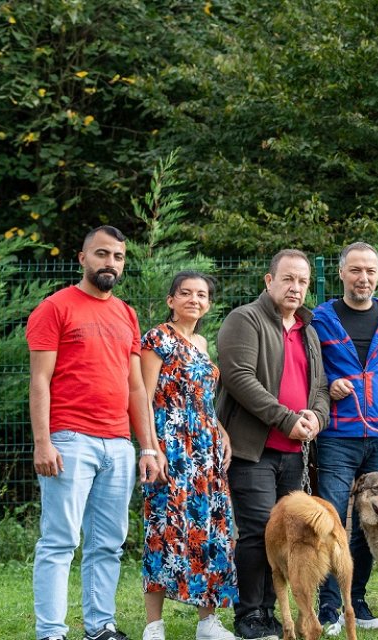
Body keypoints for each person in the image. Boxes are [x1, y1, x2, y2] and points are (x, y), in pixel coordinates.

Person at [27, 225, 166, 640]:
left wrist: (148, 447)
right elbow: (39, 380)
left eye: (118, 257)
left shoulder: (126, 314)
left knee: (107, 544)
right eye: (102, 254)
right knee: (60, 541)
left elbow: (136, 387)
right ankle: (51, 632)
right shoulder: (54, 308)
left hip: (118, 445)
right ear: (82, 258)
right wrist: (43, 442)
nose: (110, 263)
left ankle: (100, 627)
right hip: (70, 440)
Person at [218, 249, 330, 640]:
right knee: (256, 531)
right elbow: (239, 378)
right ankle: (251, 613)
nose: (295, 287)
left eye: (302, 281)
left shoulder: (308, 330)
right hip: (253, 450)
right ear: (269, 281)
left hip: (296, 453)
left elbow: (320, 387)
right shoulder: (244, 319)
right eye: (288, 279)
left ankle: (276, 612)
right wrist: (286, 419)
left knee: (287, 536)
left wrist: (317, 418)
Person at [311, 242, 378, 634]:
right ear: (341, 273)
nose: (363, 278)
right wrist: (329, 385)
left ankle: (355, 600)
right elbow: (307, 371)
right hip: (337, 435)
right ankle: (329, 606)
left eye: (370, 271)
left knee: (370, 523)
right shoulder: (320, 319)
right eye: (355, 270)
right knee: (331, 519)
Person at [140, 271, 238, 640]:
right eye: (185, 293)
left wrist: (221, 431)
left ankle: (207, 623)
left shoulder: (201, 342)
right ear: (171, 300)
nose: (193, 300)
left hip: (206, 451)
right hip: (172, 448)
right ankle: (154, 625)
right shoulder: (158, 338)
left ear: (208, 304)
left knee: (209, 530)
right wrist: (152, 448)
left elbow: (203, 400)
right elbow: (144, 396)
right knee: (162, 530)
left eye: (201, 295)